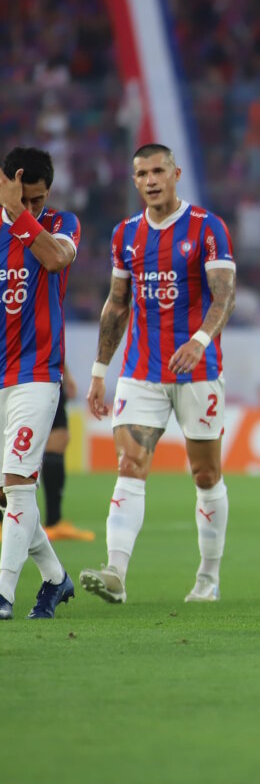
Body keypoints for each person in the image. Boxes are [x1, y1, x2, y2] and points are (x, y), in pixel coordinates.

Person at [80, 144, 236, 605]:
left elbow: (223, 296)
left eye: (158, 171)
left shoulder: (207, 227)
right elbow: (117, 304)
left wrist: (199, 342)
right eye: (141, 173)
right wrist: (98, 371)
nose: (150, 180)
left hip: (200, 371)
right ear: (134, 180)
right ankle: (115, 572)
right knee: (129, 467)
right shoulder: (125, 234)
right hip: (141, 371)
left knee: (205, 475)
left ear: (175, 174)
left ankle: (208, 578)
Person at [0, 147, 79, 619]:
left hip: (36, 373)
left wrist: (17, 216)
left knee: (19, 484)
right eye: (23, 200)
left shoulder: (61, 224)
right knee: (8, 493)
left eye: (39, 200)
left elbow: (54, 258)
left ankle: (3, 594)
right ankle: (55, 579)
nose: (34, 210)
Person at [41, 375, 95, 542]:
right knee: (57, 437)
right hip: (38, 373)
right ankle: (53, 521)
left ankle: (54, 521)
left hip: (32, 371)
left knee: (58, 437)